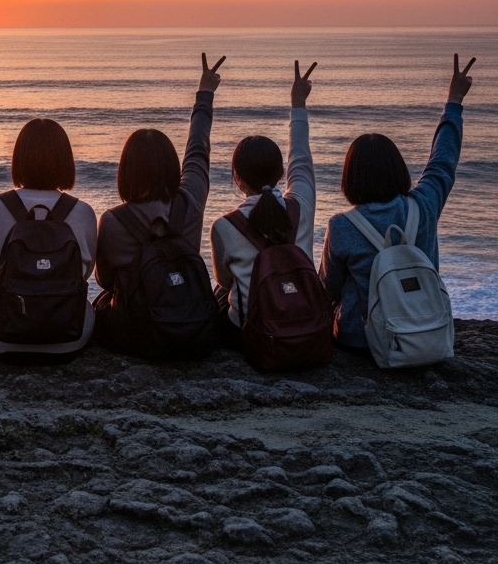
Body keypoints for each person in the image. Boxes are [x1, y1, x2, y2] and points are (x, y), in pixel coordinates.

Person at [319, 54, 474, 352]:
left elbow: (328, 289)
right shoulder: (424, 205)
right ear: (399, 169)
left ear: (350, 179)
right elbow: (443, 161)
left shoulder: (342, 226)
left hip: (362, 341)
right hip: (426, 332)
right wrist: (454, 100)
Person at [93, 53, 225, 354]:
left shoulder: (113, 220)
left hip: (138, 334)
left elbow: (105, 280)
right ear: (171, 167)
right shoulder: (190, 200)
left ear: (125, 170)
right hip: (191, 323)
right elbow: (198, 149)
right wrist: (205, 94)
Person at [210, 61, 318, 349]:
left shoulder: (224, 226)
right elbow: (301, 158)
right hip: (308, 322)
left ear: (238, 179)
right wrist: (298, 102)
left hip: (254, 333)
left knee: (218, 294)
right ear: (282, 173)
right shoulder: (301, 206)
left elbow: (226, 281)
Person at [0, 117, 97, 364]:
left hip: (0, 339)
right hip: (70, 339)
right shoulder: (84, 212)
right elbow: (83, 274)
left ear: (18, 160)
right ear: (66, 161)